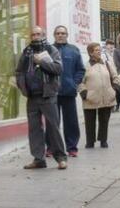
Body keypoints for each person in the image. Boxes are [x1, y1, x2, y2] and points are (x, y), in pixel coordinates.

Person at [15, 26, 67, 169]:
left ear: (43, 35)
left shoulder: (51, 50)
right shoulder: (26, 52)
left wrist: (41, 62)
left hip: (48, 96)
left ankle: (61, 158)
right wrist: (22, 86)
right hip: (32, 96)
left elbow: (58, 69)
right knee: (34, 129)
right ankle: (38, 159)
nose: (35, 37)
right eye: (33, 34)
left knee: (53, 128)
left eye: (38, 34)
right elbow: (19, 71)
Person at [47, 25, 85, 158]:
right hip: (52, 92)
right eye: (58, 33)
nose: (60, 35)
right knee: (52, 122)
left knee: (71, 122)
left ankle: (72, 147)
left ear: (67, 35)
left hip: (69, 91)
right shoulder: (48, 50)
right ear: (54, 35)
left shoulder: (73, 50)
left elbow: (80, 69)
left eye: (63, 33)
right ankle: (51, 147)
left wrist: (74, 83)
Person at [79, 42, 120, 149]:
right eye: (96, 50)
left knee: (104, 120)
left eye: (100, 50)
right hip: (90, 97)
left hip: (107, 96)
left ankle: (103, 140)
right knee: (89, 121)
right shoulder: (85, 65)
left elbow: (115, 76)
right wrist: (84, 93)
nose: (99, 52)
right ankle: (90, 141)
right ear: (90, 53)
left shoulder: (106, 63)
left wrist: (115, 89)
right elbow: (80, 81)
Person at [102, 39, 120, 111]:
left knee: (117, 90)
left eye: (112, 45)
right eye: (109, 45)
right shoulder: (103, 55)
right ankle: (111, 106)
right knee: (110, 91)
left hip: (117, 74)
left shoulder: (115, 53)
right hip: (108, 75)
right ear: (106, 46)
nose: (111, 46)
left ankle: (117, 105)